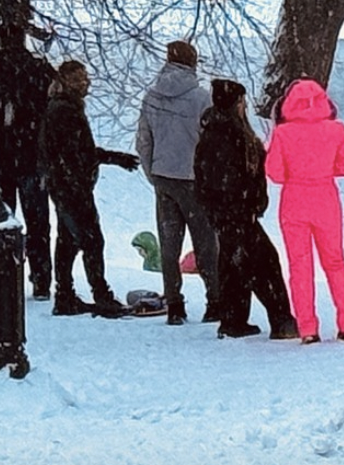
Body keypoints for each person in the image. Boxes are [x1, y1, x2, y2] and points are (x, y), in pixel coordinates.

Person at [192, 79, 297, 340]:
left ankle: (234, 319)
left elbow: (206, 179)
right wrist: (248, 203)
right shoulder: (229, 135)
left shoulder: (213, 132)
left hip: (226, 212)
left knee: (234, 263)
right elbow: (230, 179)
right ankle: (280, 318)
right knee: (263, 263)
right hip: (236, 212)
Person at [40, 59, 139, 318]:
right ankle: (100, 294)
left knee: (68, 240)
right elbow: (76, 153)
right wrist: (81, 180)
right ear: (68, 83)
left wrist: (113, 158)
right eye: (81, 79)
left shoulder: (61, 107)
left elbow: (75, 151)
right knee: (91, 240)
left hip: (63, 184)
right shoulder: (65, 111)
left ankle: (64, 294)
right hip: (72, 186)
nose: (87, 83)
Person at [264, 78, 344, 343]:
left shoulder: (283, 134)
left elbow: (274, 173)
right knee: (336, 263)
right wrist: (324, 170)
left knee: (300, 266)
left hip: (294, 199)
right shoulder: (336, 130)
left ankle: (307, 328)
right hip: (326, 198)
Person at [135, 39, 218, 326]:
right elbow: (211, 143)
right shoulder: (201, 98)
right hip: (194, 179)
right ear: (192, 63)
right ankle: (214, 302)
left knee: (169, 245)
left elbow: (143, 141)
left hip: (164, 178)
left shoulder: (152, 96)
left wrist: (153, 173)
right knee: (206, 242)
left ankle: (174, 305)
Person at [0, 0, 58, 300]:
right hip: (33, 155)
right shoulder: (39, 70)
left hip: (0, 158)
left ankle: (4, 275)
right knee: (37, 222)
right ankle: (41, 277)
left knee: (0, 223)